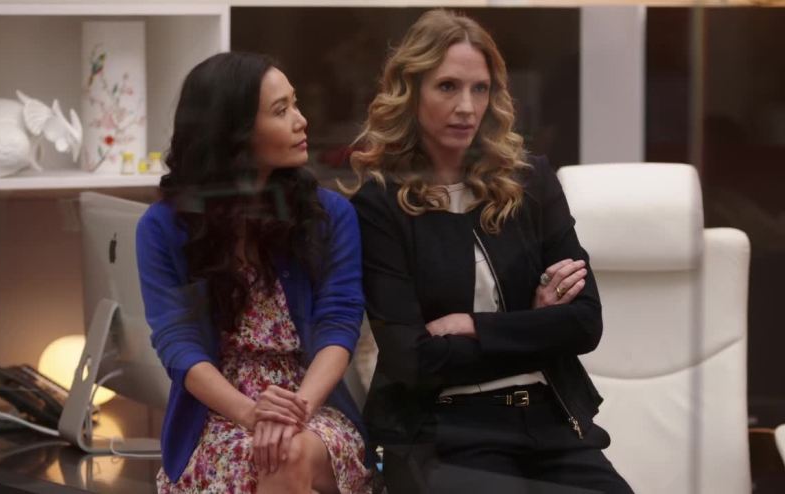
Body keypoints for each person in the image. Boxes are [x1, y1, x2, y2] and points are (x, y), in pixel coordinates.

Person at [346, 9, 633, 494]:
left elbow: (585, 323)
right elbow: (412, 360)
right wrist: (535, 327)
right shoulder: (381, 204)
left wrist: (473, 325)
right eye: (447, 87)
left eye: (479, 89)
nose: (466, 106)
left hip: (549, 422)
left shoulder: (531, 182)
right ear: (411, 91)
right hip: (447, 428)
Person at [136, 52, 373, 494]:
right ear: (236, 133)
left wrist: (292, 412)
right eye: (281, 111)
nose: (302, 120)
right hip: (216, 412)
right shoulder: (164, 227)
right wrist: (251, 413)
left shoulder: (329, 216)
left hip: (313, 401)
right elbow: (178, 344)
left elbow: (339, 325)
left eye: (295, 104)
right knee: (275, 455)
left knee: (288, 452)